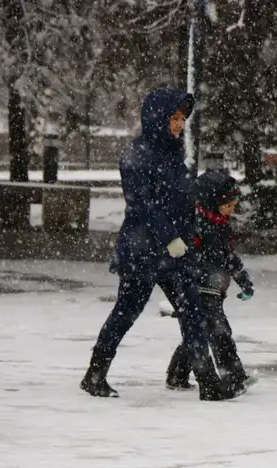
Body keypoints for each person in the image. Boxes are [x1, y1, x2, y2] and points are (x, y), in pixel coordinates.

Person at [80, 88, 235, 402]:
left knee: (192, 312)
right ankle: (95, 375)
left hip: (175, 255)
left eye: (182, 119)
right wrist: (170, 238)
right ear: (157, 118)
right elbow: (143, 206)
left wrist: (190, 237)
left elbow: (183, 201)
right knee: (126, 313)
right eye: (174, 118)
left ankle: (207, 381)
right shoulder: (136, 156)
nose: (179, 124)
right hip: (144, 253)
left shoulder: (175, 154)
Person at [165, 170, 256, 396]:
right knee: (219, 330)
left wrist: (242, 279)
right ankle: (233, 375)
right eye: (227, 205)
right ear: (211, 202)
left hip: (214, 288)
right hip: (199, 287)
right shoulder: (195, 225)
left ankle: (177, 375)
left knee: (198, 331)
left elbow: (228, 256)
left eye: (234, 204)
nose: (231, 209)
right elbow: (187, 257)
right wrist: (196, 277)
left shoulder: (221, 224)